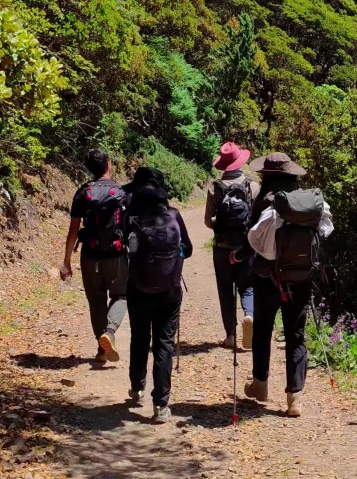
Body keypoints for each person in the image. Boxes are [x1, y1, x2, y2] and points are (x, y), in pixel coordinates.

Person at [236, 152, 329, 418]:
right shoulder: (310, 205)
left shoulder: (266, 203)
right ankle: (294, 397)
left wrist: (239, 256)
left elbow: (252, 241)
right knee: (296, 335)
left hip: (267, 279)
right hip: (300, 278)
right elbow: (325, 233)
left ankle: (260, 384)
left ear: (267, 177)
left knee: (263, 329)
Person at [124, 167, 192, 424]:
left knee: (140, 336)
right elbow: (188, 248)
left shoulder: (130, 216)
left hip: (138, 286)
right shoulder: (174, 215)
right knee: (164, 343)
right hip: (169, 289)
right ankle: (161, 404)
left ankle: (137, 386)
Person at [61, 148, 128, 364]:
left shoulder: (83, 192)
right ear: (108, 165)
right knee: (120, 296)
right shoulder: (120, 191)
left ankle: (101, 350)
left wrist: (66, 262)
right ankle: (109, 332)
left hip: (90, 255)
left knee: (96, 300)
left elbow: (73, 230)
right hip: (116, 254)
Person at [204, 142, 260, 350]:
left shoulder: (214, 187)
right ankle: (249, 315)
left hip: (221, 247)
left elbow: (208, 222)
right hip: (246, 247)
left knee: (225, 290)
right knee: (248, 286)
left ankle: (230, 336)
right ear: (240, 162)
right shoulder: (252, 186)